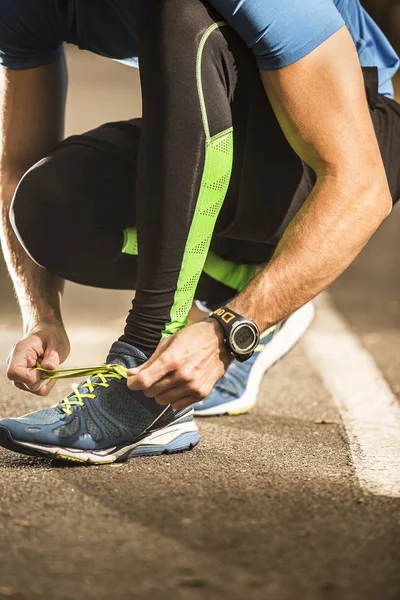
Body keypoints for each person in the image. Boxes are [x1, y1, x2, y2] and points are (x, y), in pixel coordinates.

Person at [0, 0, 398, 463]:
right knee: (46, 205)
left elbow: (362, 183)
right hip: (233, 145)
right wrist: (42, 315)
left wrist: (230, 332)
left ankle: (147, 379)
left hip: (348, 135)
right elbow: (16, 167)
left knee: (183, 19)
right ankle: (236, 282)